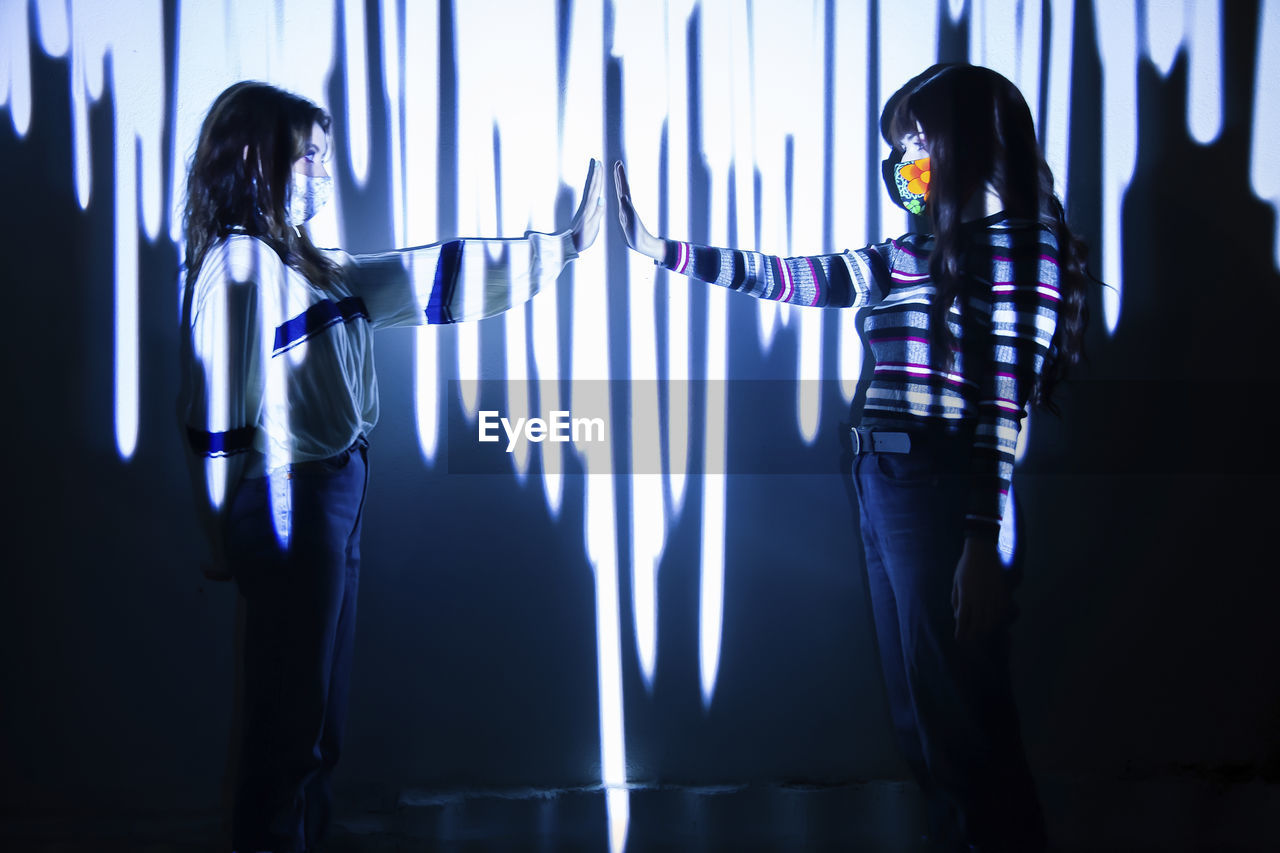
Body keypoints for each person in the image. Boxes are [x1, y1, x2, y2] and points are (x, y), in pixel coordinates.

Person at [614, 63, 1091, 852]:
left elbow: (1001, 400)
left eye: (915, 138)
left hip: (943, 490)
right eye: (898, 143)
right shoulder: (918, 251)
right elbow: (801, 277)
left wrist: (978, 540)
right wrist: (663, 250)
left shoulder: (1018, 244)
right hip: (884, 482)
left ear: (966, 141)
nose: (904, 157)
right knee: (923, 718)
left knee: (962, 724)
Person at [177, 80, 602, 853]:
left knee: (316, 713)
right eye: (310, 157)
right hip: (290, 503)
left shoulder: (310, 264)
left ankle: (300, 838)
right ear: (257, 159)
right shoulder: (240, 270)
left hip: (335, 489)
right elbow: (218, 423)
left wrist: (561, 249)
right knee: (290, 716)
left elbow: (432, 276)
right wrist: (218, 534)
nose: (323, 175)